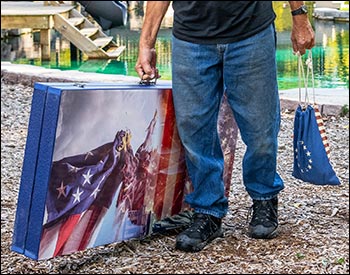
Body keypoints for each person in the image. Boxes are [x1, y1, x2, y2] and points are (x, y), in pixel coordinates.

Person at [135, 1, 315, 252]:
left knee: (261, 128)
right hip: (191, 38)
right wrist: (146, 44)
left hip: (251, 33)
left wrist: (299, 17)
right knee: (194, 130)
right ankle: (208, 210)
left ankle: (264, 198)